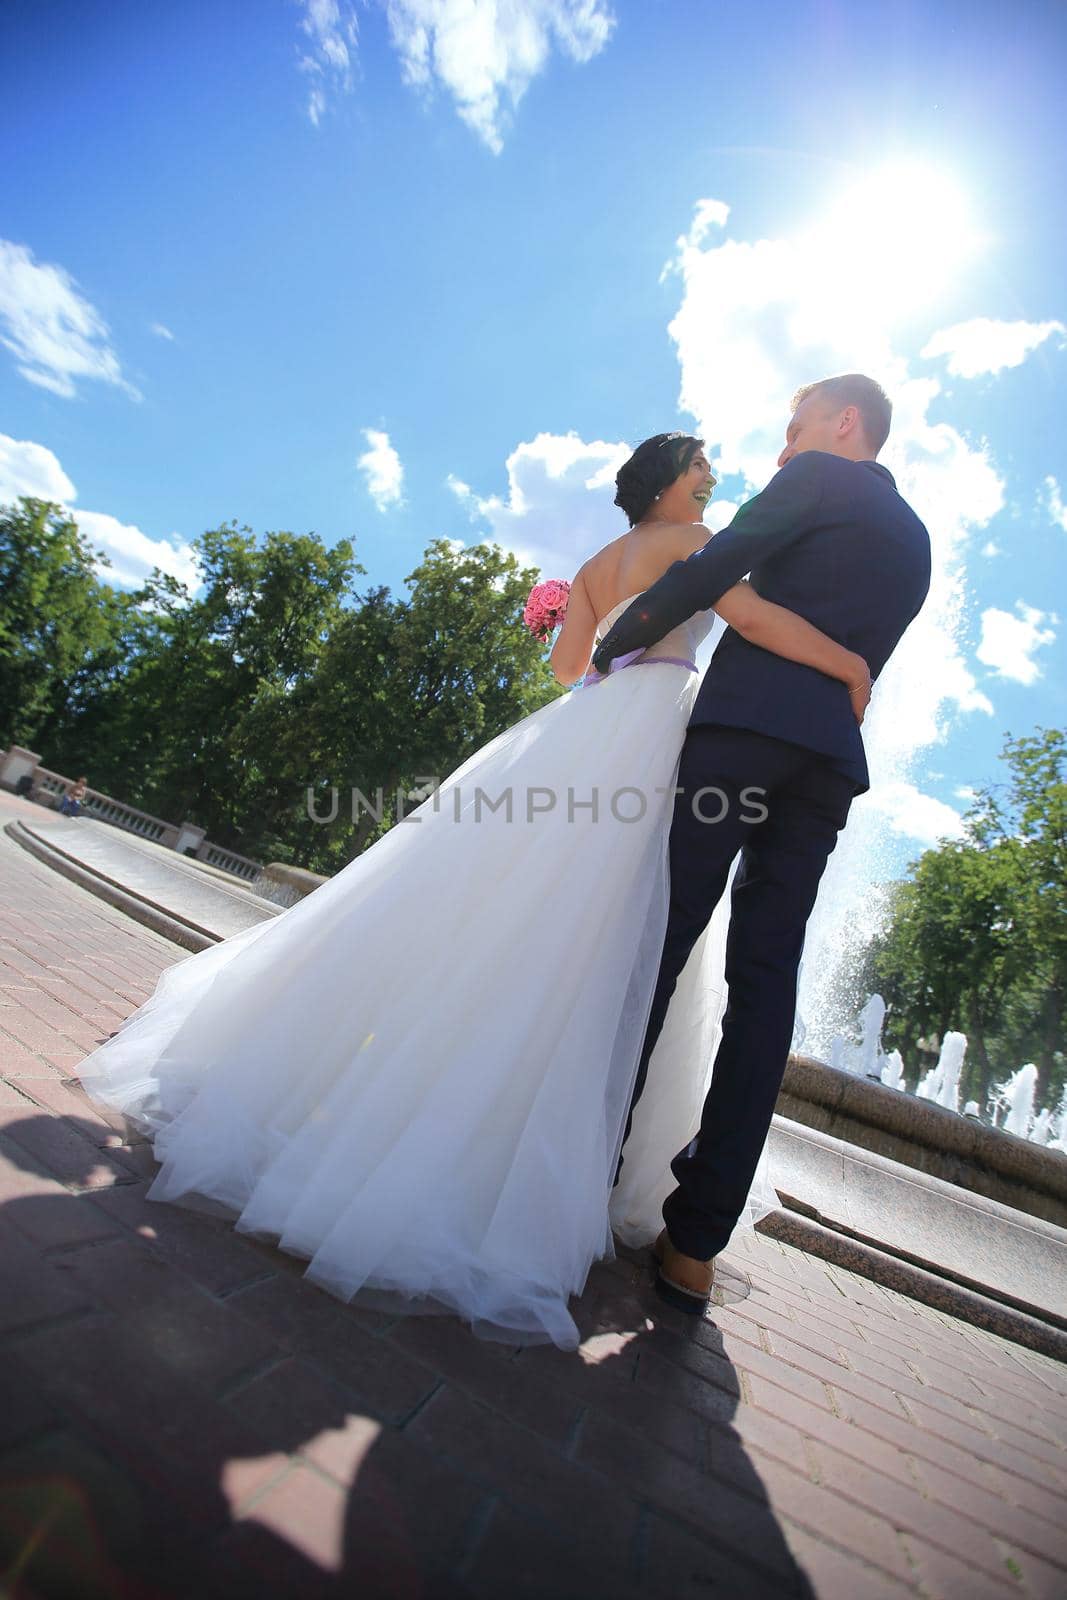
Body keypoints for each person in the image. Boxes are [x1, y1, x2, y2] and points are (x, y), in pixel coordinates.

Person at [74, 431, 872, 1351]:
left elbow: (567, 670)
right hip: (657, 735)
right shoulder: (693, 545)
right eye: (700, 469)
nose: (713, 479)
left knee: (513, 916)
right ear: (668, 483)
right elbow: (758, 623)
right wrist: (846, 665)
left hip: (583, 731)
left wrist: (571, 624)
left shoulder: (592, 564)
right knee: (612, 932)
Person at [593, 376, 932, 1314]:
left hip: (740, 739)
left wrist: (616, 646)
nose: (783, 450)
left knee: (656, 942)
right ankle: (696, 1241)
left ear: (844, 423)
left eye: (794, 430)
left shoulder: (821, 476)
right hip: (825, 769)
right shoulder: (916, 539)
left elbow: (717, 566)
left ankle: (582, 1172)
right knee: (765, 986)